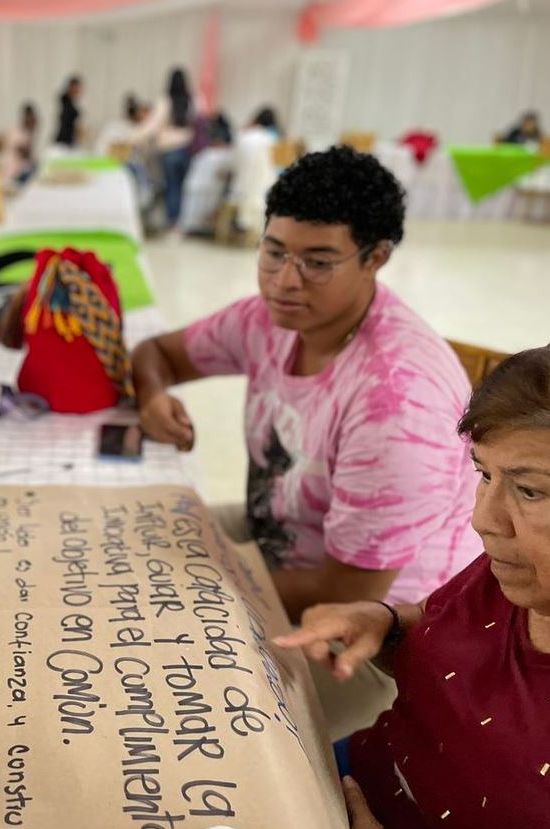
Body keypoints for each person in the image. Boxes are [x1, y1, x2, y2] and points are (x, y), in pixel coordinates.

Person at [132, 148, 480, 733]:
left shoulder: (395, 400)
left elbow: (344, 593)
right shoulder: (272, 316)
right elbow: (156, 353)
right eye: (273, 252)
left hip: (376, 642)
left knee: (177, 701)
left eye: (318, 262)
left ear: (375, 258)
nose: (284, 281)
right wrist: (151, 398)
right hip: (284, 545)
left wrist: (186, 584)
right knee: (135, 535)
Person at [276, 345, 550, 829]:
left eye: (530, 490)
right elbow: (435, 626)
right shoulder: (508, 575)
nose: (482, 520)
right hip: (345, 773)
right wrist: (382, 623)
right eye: (484, 474)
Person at [131, 67, 195, 230]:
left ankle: (172, 222)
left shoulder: (165, 102)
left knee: (171, 187)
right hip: (188, 151)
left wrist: (133, 138)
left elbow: (152, 126)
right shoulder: (194, 100)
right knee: (183, 187)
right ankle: (181, 223)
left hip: (169, 152)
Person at [230, 106, 283, 236]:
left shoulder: (245, 135)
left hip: (240, 184)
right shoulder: (274, 138)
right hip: (266, 183)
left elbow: (234, 162)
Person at [1, 102, 40, 185]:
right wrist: (32, 133)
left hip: (20, 171)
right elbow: (26, 156)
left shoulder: (25, 133)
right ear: (25, 118)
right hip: (14, 174)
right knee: (37, 176)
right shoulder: (15, 133)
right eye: (31, 119)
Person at [53, 75, 83, 148]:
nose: (77, 90)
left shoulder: (72, 103)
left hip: (70, 140)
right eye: (76, 88)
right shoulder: (65, 103)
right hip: (64, 140)